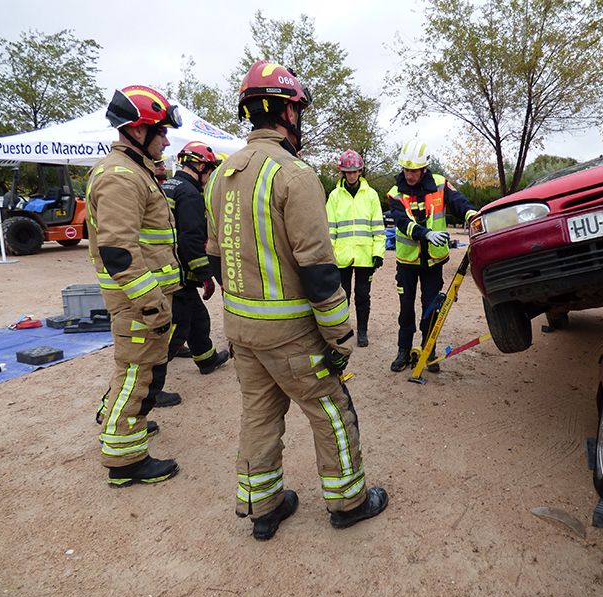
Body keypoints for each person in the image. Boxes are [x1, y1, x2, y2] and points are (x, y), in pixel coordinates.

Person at [205, 60, 388, 540]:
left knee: (259, 415)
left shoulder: (219, 177)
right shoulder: (296, 174)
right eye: (297, 111)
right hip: (291, 334)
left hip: (242, 330)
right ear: (288, 112)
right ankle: (349, 501)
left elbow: (215, 258)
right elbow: (319, 271)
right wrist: (340, 335)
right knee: (332, 411)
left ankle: (263, 507)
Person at [86, 85, 183, 487]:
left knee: (137, 370)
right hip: (139, 301)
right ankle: (125, 460)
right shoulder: (122, 176)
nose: (165, 139)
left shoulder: (132, 170)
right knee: (136, 373)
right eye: (160, 131)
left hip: (145, 298)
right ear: (137, 130)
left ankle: (123, 422)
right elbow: (119, 252)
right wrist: (151, 304)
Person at [387, 139, 477, 373]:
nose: (409, 174)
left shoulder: (440, 184)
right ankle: (403, 351)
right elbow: (402, 221)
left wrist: (471, 215)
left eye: (414, 170)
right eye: (406, 169)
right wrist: (425, 233)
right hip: (407, 262)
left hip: (434, 263)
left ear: (424, 168)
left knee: (432, 308)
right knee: (406, 309)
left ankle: (429, 350)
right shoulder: (395, 193)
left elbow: (459, 202)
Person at [161, 141, 229, 375]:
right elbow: (190, 239)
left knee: (198, 317)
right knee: (178, 327)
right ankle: (148, 382)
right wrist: (205, 275)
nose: (209, 176)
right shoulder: (190, 193)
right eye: (209, 170)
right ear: (200, 166)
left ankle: (206, 359)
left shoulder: (169, 185)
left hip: (167, 265)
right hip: (178, 271)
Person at [325, 149, 385, 347]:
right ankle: (344, 331)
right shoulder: (334, 196)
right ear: (343, 173)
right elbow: (330, 229)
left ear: (360, 171)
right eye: (348, 172)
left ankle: (362, 332)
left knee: (362, 296)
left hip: (365, 256)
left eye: (355, 171)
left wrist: (378, 253)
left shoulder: (371, 195)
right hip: (341, 257)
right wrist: (329, 256)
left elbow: (378, 227)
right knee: (343, 297)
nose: (351, 175)